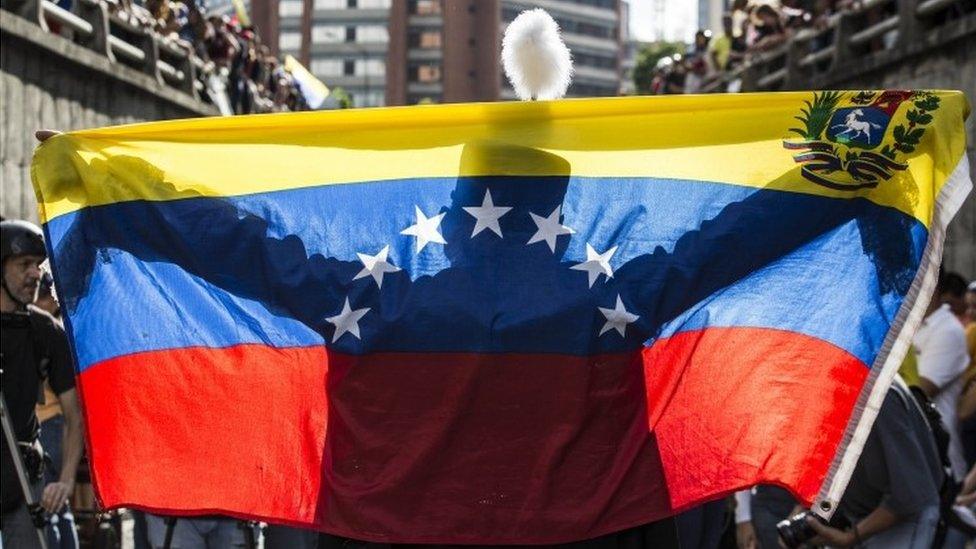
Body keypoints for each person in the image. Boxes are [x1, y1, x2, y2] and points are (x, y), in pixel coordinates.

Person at [0, 220, 84, 549]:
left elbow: (73, 416)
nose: (35, 274)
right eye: (24, 265)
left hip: (23, 479)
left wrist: (64, 482)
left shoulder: (45, 331)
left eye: (37, 265)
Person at [805, 380, 944, 548]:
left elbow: (909, 494)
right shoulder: (833, 392)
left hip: (903, 520)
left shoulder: (880, 397)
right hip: (861, 514)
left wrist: (850, 537)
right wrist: (808, 517)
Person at [32, 273, 80, 549]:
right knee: (60, 508)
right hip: (59, 424)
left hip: (49, 425)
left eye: (42, 296)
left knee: (48, 506)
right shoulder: (56, 331)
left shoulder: (49, 334)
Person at [915, 269, 970, 480]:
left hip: (941, 460)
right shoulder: (911, 327)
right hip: (917, 456)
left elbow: (919, 392)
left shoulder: (948, 330)